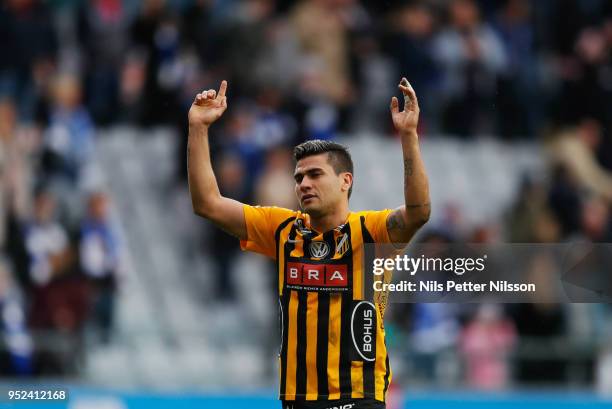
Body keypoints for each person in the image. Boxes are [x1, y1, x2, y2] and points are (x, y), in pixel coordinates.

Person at [187, 78, 430, 408]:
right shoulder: (283, 230)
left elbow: (418, 212)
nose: (303, 184)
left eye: (315, 175)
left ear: (346, 181)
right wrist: (198, 128)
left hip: (357, 397)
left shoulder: (372, 232)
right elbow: (208, 204)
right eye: (299, 177)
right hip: (297, 399)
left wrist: (407, 136)